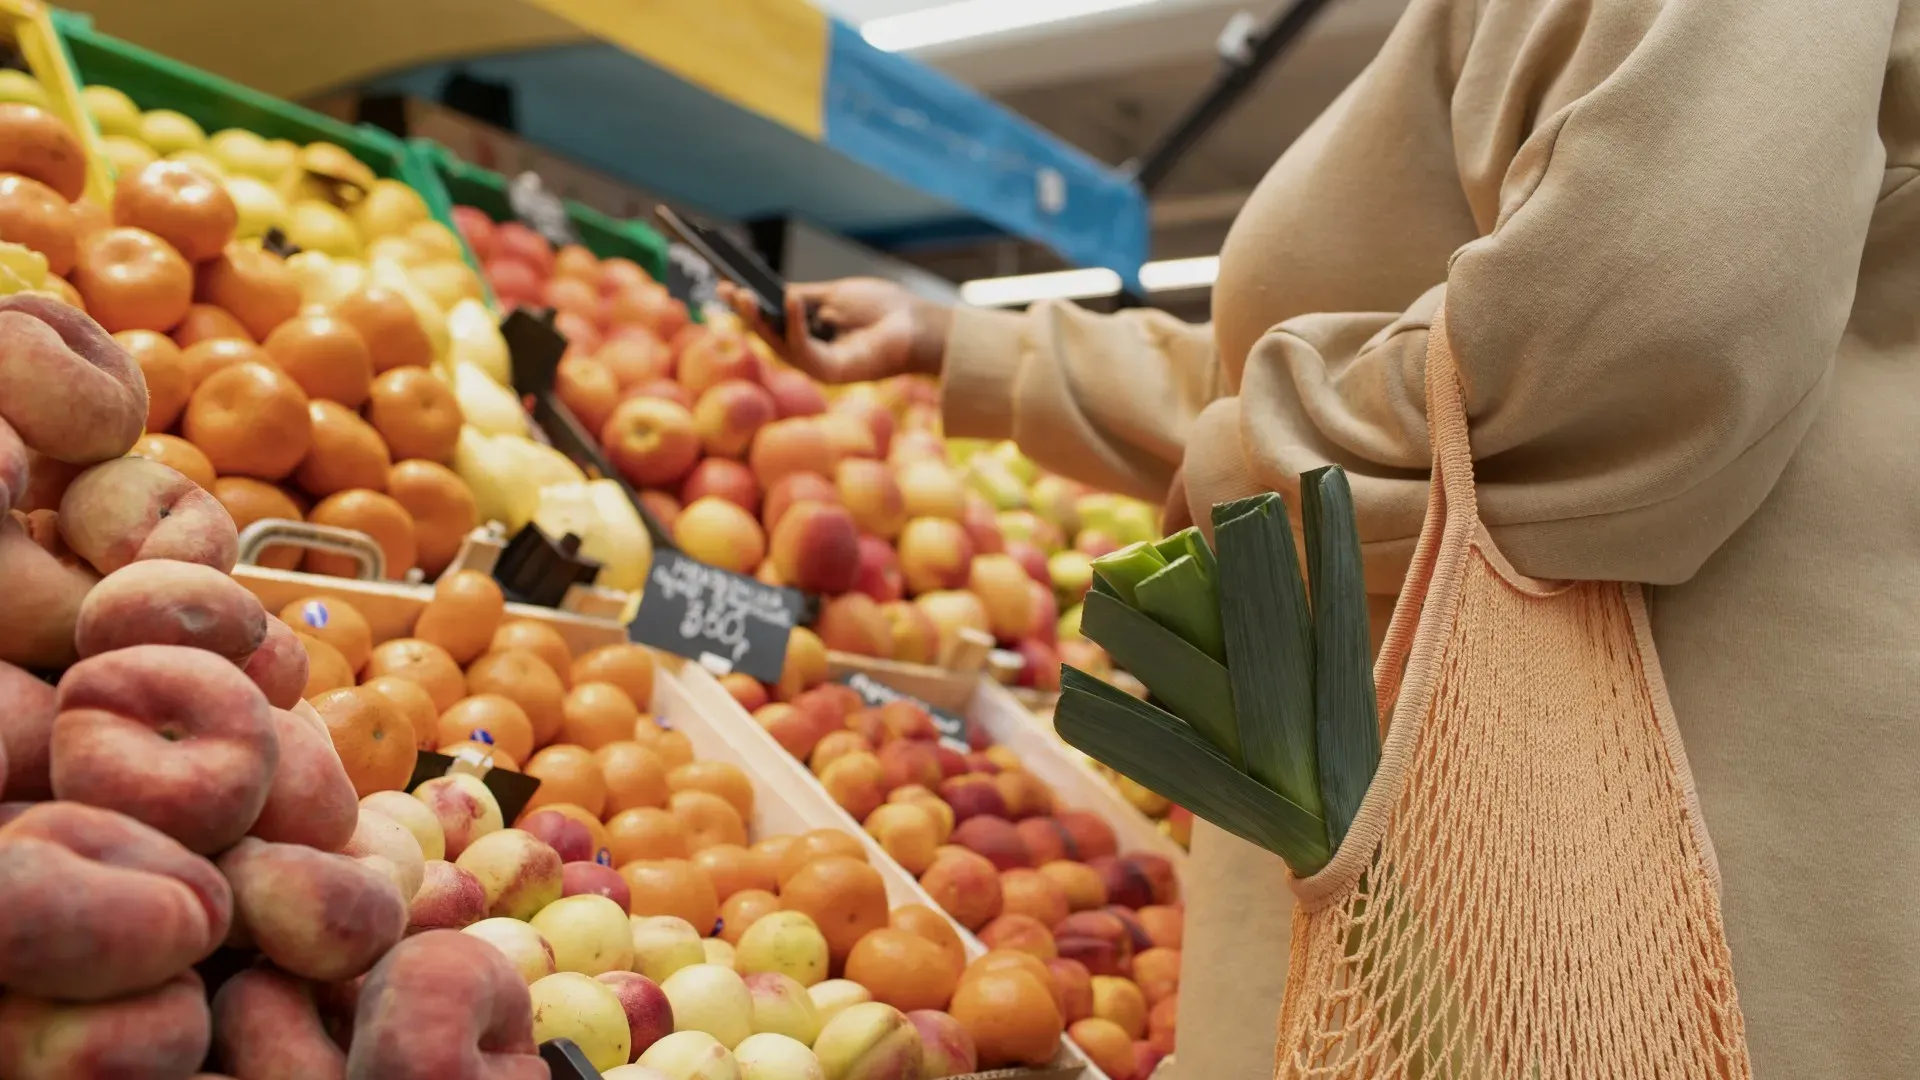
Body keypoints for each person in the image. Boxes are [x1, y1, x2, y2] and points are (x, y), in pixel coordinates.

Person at [734, 0, 1919, 1075]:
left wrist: (1247, 472)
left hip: (1605, 850)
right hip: (1454, 854)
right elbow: (1366, 363)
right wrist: (968, 345)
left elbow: (1642, 335)